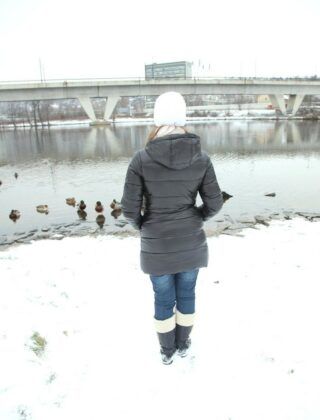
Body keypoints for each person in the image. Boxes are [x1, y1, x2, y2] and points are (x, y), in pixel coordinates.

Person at [121, 91, 223, 364]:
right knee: (187, 293)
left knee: (163, 297)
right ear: (183, 119)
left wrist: (144, 225)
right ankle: (183, 343)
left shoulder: (140, 159)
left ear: (157, 120)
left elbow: (129, 210)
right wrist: (196, 217)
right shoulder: (202, 158)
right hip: (191, 243)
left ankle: (167, 351)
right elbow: (214, 203)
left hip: (157, 246)